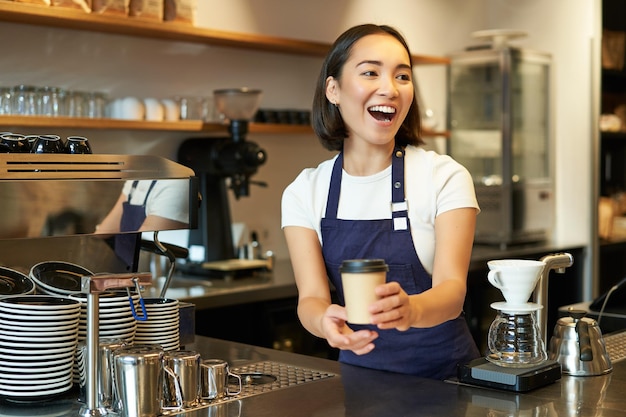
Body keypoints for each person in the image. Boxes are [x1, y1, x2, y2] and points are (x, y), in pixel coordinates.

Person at [281, 24, 480, 379]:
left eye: (402, 76)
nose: (389, 88)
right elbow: (311, 298)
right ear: (333, 89)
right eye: (370, 72)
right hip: (361, 381)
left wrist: (411, 310)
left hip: (449, 383)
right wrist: (322, 322)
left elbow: (452, 292)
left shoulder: (444, 176)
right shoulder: (305, 191)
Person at [96, 179, 190, 268]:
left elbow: (142, 251)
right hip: (121, 269)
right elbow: (105, 230)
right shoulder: (135, 180)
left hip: (146, 275)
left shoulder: (176, 184)